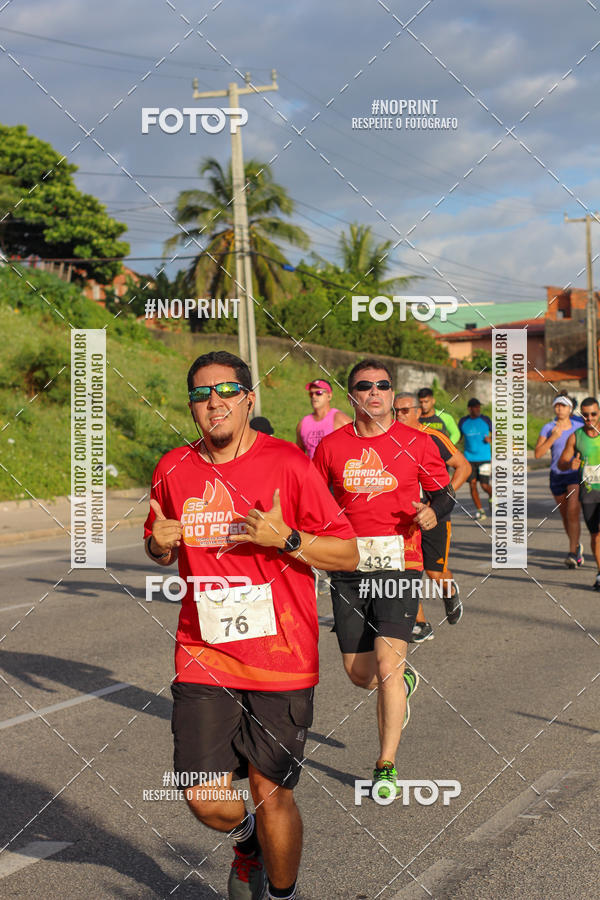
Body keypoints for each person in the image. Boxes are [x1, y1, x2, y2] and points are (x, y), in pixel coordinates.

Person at [144, 350, 358, 900]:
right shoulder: (172, 468)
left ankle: (283, 895)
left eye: (226, 392)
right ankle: (247, 843)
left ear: (248, 398)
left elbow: (348, 554)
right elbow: (159, 540)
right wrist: (157, 545)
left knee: (271, 793)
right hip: (203, 652)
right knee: (201, 796)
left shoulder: (288, 463)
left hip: (280, 657)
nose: (213, 403)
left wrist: (285, 539)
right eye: (200, 394)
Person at [313, 359, 453, 797]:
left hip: (400, 563)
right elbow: (314, 504)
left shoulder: (417, 441)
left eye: (383, 385)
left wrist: (434, 510)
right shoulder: (331, 447)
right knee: (360, 673)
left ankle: (385, 764)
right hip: (348, 566)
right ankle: (403, 682)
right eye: (364, 386)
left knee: (389, 663)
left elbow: (444, 491)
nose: (375, 392)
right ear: (351, 395)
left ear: (393, 394)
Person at [394, 393, 471, 641]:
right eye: (395, 411)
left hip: (434, 515)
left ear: (418, 412)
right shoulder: (389, 439)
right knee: (407, 570)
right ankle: (420, 624)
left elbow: (464, 466)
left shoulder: (434, 437)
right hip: (403, 520)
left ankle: (449, 593)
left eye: (405, 410)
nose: (399, 416)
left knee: (433, 572)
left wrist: (443, 498)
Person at [535, 393, 584, 568]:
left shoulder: (579, 426)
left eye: (563, 406)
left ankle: (571, 553)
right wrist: (552, 438)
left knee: (572, 511)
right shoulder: (548, 428)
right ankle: (576, 545)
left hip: (574, 474)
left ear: (570, 409)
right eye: (557, 405)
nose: (559, 409)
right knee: (565, 515)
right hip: (556, 475)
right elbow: (538, 454)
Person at [558, 396, 600, 590]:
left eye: (593, 414)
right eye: (585, 415)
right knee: (596, 535)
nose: (589, 418)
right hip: (589, 492)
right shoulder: (576, 436)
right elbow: (561, 462)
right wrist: (569, 464)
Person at [296, 379, 351, 460]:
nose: (314, 396)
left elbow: (357, 447)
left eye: (319, 393)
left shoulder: (341, 420)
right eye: (311, 394)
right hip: (312, 472)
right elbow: (298, 455)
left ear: (329, 396)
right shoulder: (302, 424)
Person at [459, 398, 493, 519]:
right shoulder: (463, 422)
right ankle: (480, 511)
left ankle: (492, 497)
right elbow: (458, 437)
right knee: (472, 485)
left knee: (484, 485)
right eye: (475, 407)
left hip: (484, 458)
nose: (478, 409)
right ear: (469, 409)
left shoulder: (485, 420)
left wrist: (491, 439)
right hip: (469, 458)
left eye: (479, 407)